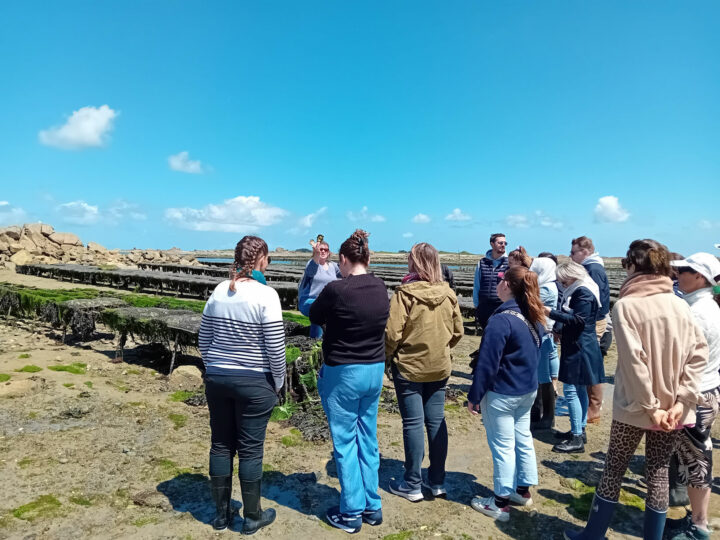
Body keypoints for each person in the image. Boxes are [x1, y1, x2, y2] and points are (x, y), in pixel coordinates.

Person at [564, 239, 708, 540]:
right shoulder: (680, 303)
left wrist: (650, 406)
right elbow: (699, 355)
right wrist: (682, 400)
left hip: (636, 407)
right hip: (672, 408)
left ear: (633, 265)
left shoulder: (627, 305)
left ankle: (593, 535)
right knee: (656, 472)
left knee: (614, 468)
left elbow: (634, 361)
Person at [198, 235, 285, 534]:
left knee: (221, 445)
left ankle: (221, 517)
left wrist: (214, 367)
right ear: (262, 260)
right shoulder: (266, 295)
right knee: (250, 450)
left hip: (218, 379)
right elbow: (275, 348)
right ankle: (251, 517)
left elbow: (203, 339)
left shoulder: (220, 291)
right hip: (255, 382)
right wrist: (279, 382)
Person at [310, 229, 390, 534]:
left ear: (343, 259)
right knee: (367, 437)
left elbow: (315, 315)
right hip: (374, 369)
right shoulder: (381, 287)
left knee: (344, 441)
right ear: (367, 257)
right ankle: (372, 504)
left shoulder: (336, 289)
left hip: (343, 371)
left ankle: (351, 511)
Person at [385, 242, 464, 502]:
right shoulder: (448, 293)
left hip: (409, 366)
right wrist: (442, 348)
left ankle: (412, 483)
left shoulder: (404, 293)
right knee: (436, 421)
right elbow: (458, 332)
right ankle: (437, 480)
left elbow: (392, 333)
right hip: (439, 366)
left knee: (413, 423)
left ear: (414, 262)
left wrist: (389, 356)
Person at [467, 266, 544, 523]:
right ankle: (522, 490)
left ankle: (500, 503)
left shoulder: (502, 319)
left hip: (503, 392)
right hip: (527, 390)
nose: (497, 284)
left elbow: (487, 363)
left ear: (508, 286)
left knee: (502, 446)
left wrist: (475, 395)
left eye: (501, 280)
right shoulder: (534, 314)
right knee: (523, 438)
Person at [665, 253, 720, 540]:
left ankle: (699, 527)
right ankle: (695, 520)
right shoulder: (705, 306)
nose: (678, 273)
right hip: (705, 390)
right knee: (695, 457)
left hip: (695, 396)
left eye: (684, 270)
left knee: (697, 460)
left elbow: (681, 358)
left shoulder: (697, 312)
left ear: (700, 277)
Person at [546, 260, 603, 454]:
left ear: (572, 276)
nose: (562, 284)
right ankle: (579, 429)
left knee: (571, 389)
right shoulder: (582, 289)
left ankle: (577, 436)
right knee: (579, 389)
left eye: (563, 281)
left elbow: (578, 321)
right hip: (579, 344)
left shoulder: (583, 292)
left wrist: (550, 313)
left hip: (581, 346)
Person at [570, 236, 610, 423]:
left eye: (573, 252)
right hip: (592, 321)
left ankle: (594, 408)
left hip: (593, 322)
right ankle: (590, 406)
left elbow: (596, 300)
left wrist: (588, 321)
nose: (570, 256)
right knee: (589, 363)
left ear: (585, 252)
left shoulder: (593, 269)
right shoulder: (591, 267)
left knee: (591, 364)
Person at [529, 256, 559, 430]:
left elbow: (530, 304)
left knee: (543, 375)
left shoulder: (546, 288)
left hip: (544, 334)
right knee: (541, 374)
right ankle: (539, 411)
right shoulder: (547, 285)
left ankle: (548, 415)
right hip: (543, 332)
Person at [298, 239, 342, 338]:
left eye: (325, 250)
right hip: (308, 301)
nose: (323, 251)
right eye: (321, 249)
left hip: (327, 302)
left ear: (329, 252)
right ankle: (315, 340)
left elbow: (346, 273)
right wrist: (316, 254)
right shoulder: (311, 264)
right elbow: (310, 272)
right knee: (320, 309)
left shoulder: (333, 266)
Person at [473, 233, 509, 330]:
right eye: (500, 243)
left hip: (501, 306)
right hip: (484, 307)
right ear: (492, 244)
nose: (503, 245)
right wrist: (477, 305)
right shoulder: (482, 263)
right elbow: (477, 284)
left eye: (505, 243)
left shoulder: (509, 263)